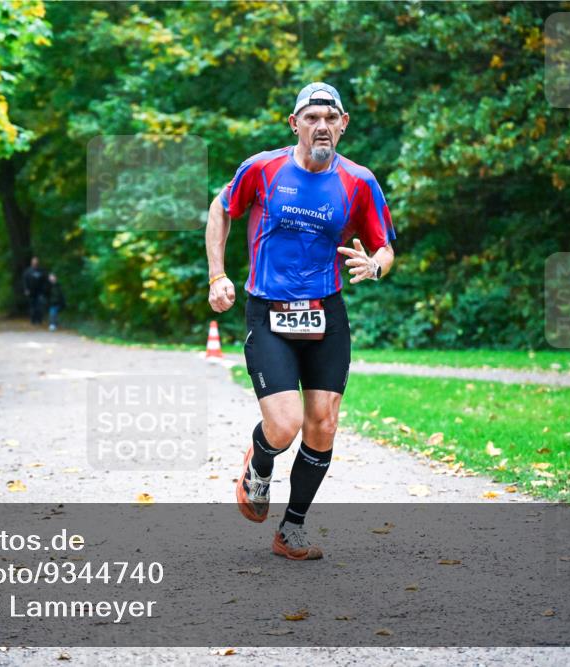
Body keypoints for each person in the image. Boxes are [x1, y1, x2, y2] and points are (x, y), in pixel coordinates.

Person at [205, 82, 396, 560]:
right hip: (267, 310)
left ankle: (291, 529)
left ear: (344, 124)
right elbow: (221, 208)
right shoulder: (263, 168)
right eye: (311, 118)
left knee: (323, 425)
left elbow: (385, 247)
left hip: (326, 312)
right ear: (295, 124)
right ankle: (260, 464)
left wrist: (375, 265)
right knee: (286, 425)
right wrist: (217, 275)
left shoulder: (359, 181)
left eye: (330, 118)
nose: (322, 126)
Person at [22, 256, 47, 325]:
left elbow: (45, 281)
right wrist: (26, 290)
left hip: (40, 292)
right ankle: (33, 320)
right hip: (31, 292)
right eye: (34, 261)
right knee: (32, 306)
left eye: (36, 261)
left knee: (39, 306)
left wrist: (44, 289)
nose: (35, 263)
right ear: (31, 262)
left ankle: (39, 320)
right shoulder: (27, 271)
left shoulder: (41, 271)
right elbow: (25, 281)